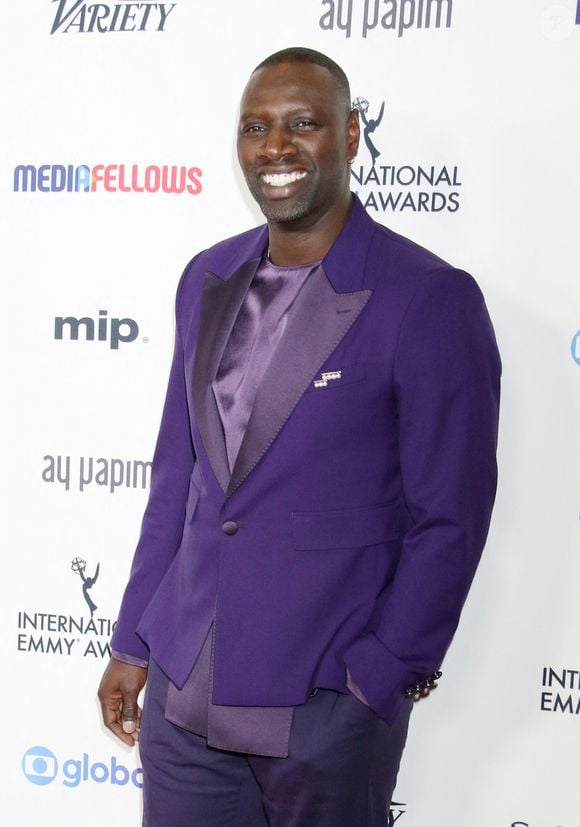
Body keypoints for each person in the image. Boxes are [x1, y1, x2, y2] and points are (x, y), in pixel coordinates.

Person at [98, 47, 501, 826]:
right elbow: (176, 480)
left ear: (350, 136)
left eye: (302, 124)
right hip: (185, 701)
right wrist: (134, 639)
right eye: (255, 128)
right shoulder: (204, 278)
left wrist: (379, 675)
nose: (275, 147)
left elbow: (450, 518)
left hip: (322, 706)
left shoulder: (428, 299)